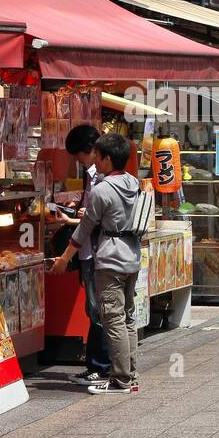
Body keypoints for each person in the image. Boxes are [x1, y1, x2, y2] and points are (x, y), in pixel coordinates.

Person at [51, 133, 143, 393]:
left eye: (98, 156)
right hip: (132, 255)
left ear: (107, 158)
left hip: (110, 258)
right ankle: (130, 373)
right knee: (126, 318)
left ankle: (121, 379)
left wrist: (64, 258)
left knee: (112, 319)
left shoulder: (102, 190)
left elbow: (84, 229)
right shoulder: (133, 183)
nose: (95, 160)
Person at [56, 124, 111, 385]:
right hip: (91, 251)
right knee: (95, 310)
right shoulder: (95, 175)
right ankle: (96, 365)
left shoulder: (100, 176)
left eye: (79, 155)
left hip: (94, 252)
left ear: (89, 151)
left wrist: (75, 221)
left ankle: (101, 367)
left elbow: (95, 218)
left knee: (97, 310)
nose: (79, 161)